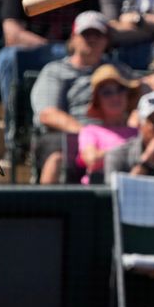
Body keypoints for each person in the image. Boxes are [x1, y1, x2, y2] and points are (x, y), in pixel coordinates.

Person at [30, 11, 130, 184]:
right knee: (57, 155)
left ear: (106, 40)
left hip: (113, 132)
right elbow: (47, 113)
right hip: (70, 135)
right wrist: (88, 134)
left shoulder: (118, 70)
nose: (92, 39)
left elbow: (139, 90)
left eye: (97, 34)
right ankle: (46, 208)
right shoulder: (55, 71)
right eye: (86, 34)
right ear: (74, 38)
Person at [77, 64, 140, 185]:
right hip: (100, 193)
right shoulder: (90, 131)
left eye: (120, 89)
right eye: (107, 93)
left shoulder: (138, 132)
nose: (115, 96)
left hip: (135, 190)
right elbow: (92, 160)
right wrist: (128, 148)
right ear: (98, 101)